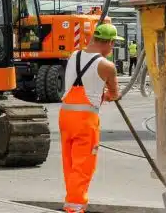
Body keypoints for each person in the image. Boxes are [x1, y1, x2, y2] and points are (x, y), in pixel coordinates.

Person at [59, 23, 122, 213]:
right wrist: (107, 95)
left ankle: (71, 201)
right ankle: (75, 208)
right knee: (83, 165)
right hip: (85, 121)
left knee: (69, 163)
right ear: (109, 43)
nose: (113, 48)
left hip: (65, 117)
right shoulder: (107, 66)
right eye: (113, 44)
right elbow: (114, 94)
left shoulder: (73, 56)